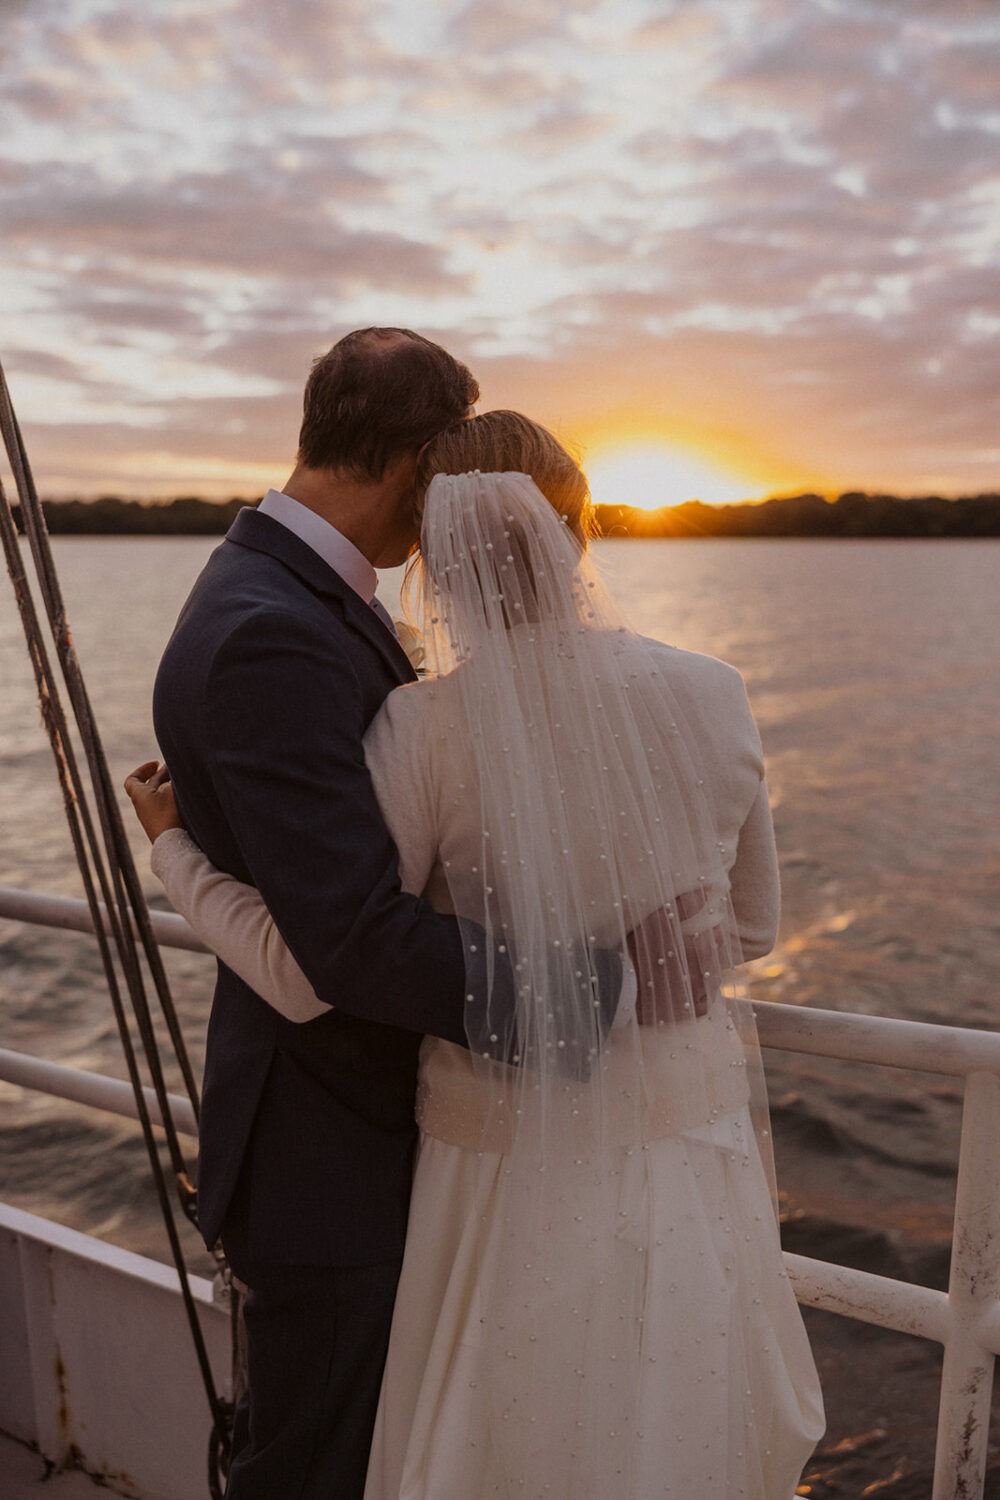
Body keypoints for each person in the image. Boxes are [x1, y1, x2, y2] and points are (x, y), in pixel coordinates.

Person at [129, 411, 825, 1497]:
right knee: (669, 1425)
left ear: (437, 553)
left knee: (496, 1435)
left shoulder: (419, 729)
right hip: (686, 1135)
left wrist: (177, 857)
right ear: (579, 529)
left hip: (488, 1151)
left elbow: (320, 968)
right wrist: (630, 973)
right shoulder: (714, 692)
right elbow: (749, 930)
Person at [145, 328, 492, 1500]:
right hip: (325, 1153)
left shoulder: (272, 586)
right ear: (414, 459)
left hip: (327, 1133)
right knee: (312, 1473)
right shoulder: (273, 632)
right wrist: (573, 984)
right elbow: (344, 939)